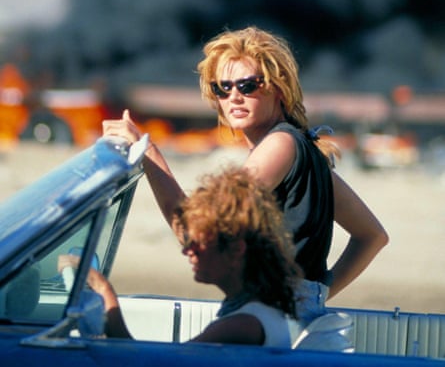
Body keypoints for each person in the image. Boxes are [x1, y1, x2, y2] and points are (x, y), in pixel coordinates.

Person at [103, 26, 389, 323]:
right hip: (288, 313)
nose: (234, 97)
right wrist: (317, 294)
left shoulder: (280, 145)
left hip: (267, 311)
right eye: (222, 88)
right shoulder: (306, 150)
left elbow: (196, 233)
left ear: (279, 88)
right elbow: (373, 235)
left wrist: (147, 153)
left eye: (248, 85)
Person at [59, 166, 304, 346]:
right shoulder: (262, 310)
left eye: (198, 243)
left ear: (236, 250)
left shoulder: (241, 325)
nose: (187, 250)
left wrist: (105, 293)